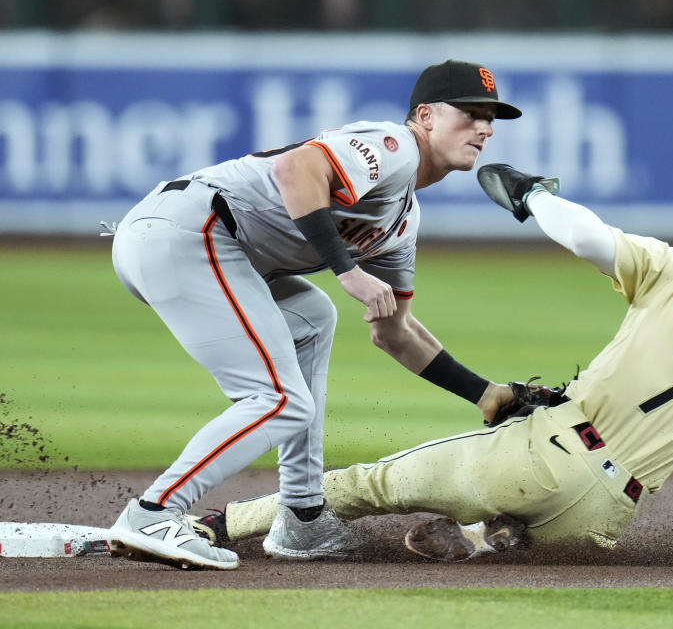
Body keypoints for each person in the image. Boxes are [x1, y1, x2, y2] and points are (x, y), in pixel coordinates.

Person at [189, 164, 673, 563]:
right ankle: (490, 538)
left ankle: (219, 524)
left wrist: (533, 196)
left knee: (371, 484)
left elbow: (588, 237)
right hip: (605, 511)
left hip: (547, 450)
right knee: (534, 528)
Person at [105, 60, 521, 571]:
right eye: (471, 112)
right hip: (189, 229)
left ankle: (301, 517)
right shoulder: (395, 145)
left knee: (312, 316)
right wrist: (348, 270)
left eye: (491, 118)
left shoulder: (402, 220)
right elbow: (296, 169)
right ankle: (153, 511)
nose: (484, 127)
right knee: (279, 399)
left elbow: (395, 333)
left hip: (202, 244)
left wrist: (486, 394)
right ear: (426, 115)